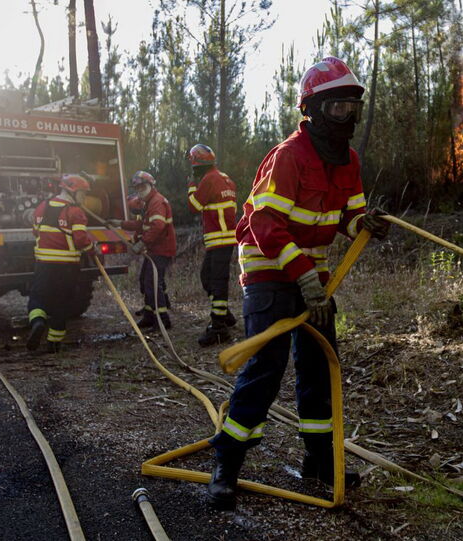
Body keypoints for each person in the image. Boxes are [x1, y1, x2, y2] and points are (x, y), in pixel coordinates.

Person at [206, 56, 390, 511]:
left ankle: (320, 460)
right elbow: (265, 226)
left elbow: (347, 215)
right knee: (266, 367)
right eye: (337, 109)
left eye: (352, 108)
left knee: (320, 366)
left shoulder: (348, 160)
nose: (346, 117)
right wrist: (304, 277)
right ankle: (227, 462)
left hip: (315, 276)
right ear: (312, 109)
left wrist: (362, 223)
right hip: (270, 270)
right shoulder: (288, 156)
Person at [27, 174, 95, 352]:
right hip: (66, 267)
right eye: (83, 194)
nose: (84, 198)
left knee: (37, 298)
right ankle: (53, 344)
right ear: (72, 191)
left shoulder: (42, 207)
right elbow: (81, 240)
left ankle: (38, 322)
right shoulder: (75, 212)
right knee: (61, 304)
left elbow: (36, 232)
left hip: (43, 265)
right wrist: (92, 250)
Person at [186, 144, 238, 346]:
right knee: (207, 277)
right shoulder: (224, 178)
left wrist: (191, 185)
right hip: (224, 239)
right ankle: (225, 316)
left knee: (216, 282)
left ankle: (218, 329)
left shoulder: (208, 180)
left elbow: (193, 207)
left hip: (219, 239)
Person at [110, 171, 177, 330]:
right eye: (137, 187)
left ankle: (162, 319)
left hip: (162, 250)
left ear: (151, 185)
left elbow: (157, 226)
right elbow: (142, 225)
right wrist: (121, 224)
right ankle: (148, 315)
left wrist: (142, 243)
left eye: (142, 186)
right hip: (155, 250)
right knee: (145, 281)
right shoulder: (149, 202)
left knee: (152, 284)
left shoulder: (157, 202)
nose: (140, 190)